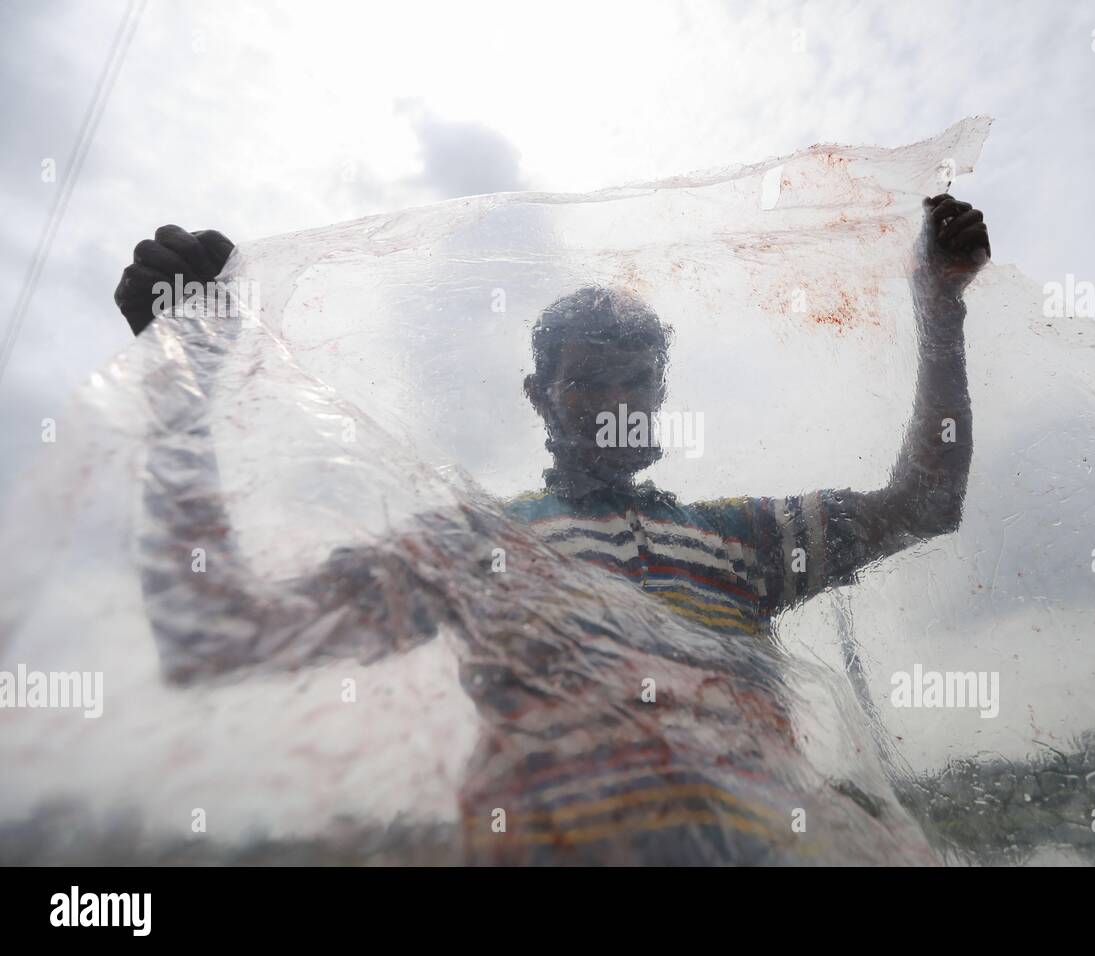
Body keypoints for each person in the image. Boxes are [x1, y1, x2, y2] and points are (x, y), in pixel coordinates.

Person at [113, 195, 990, 863]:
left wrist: (940, 303)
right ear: (539, 398)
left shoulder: (742, 541)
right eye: (586, 380)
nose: (614, 403)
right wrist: (183, 375)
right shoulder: (476, 546)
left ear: (660, 398)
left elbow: (925, 502)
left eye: (635, 380)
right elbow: (221, 631)